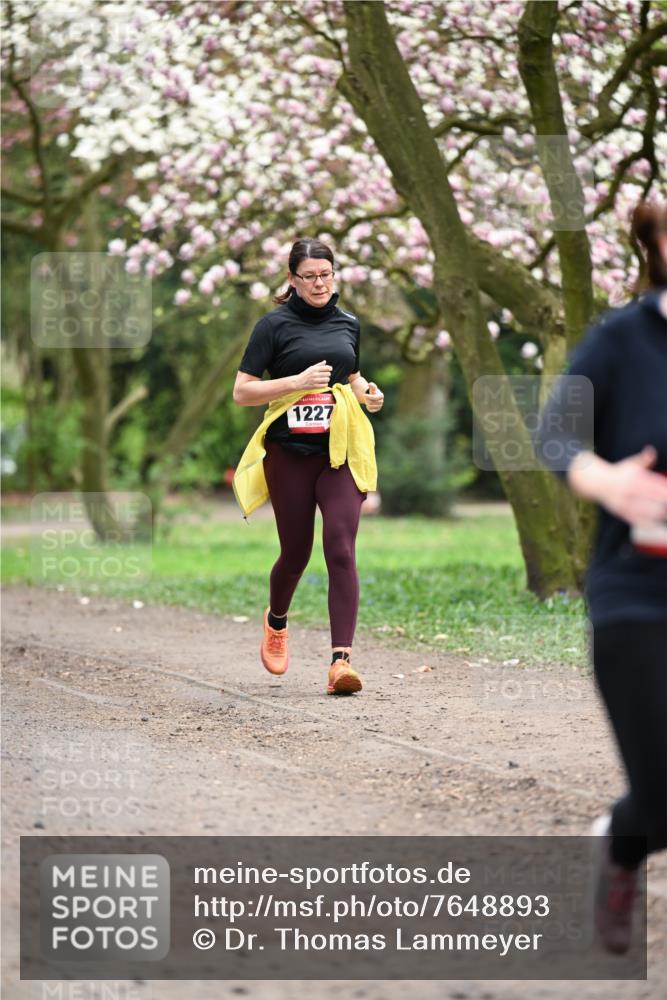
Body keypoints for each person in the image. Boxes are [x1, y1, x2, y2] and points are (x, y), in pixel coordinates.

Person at [537, 199, 667, 954]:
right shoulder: (622, 339)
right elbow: (554, 433)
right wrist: (605, 480)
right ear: (652, 245)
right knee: (661, 791)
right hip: (637, 593)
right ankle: (621, 848)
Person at [232, 238, 384, 695]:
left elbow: (350, 374)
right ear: (293, 280)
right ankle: (276, 621)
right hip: (289, 454)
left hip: (339, 451)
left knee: (340, 546)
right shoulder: (273, 326)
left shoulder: (349, 323)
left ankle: (341, 662)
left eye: (326, 275)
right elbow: (242, 391)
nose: (319, 284)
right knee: (296, 553)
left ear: (334, 275)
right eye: (309, 276)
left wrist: (366, 392)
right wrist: (296, 382)